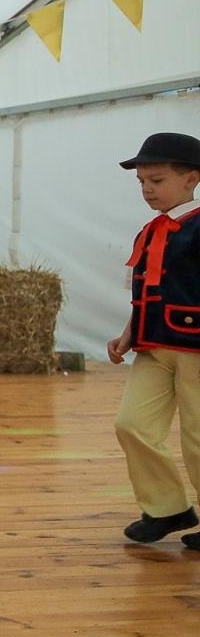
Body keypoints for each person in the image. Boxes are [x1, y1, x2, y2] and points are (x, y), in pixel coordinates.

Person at [106, 132, 200, 548]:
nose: (147, 189)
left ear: (191, 179)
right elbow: (147, 288)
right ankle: (167, 507)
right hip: (154, 346)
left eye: (156, 180)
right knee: (132, 425)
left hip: (196, 349)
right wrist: (129, 332)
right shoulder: (150, 231)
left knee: (198, 437)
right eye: (142, 181)